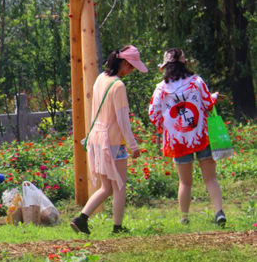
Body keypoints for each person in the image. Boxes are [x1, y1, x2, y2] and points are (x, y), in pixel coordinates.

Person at [70, 45, 147, 235]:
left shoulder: (100, 79)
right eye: (132, 67)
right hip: (113, 142)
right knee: (119, 186)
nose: (131, 72)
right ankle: (117, 227)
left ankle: (81, 219)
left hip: (97, 138)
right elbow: (122, 120)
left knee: (106, 187)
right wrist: (133, 145)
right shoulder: (118, 86)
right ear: (125, 63)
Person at [148, 48, 225, 226]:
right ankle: (219, 211)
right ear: (185, 63)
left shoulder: (161, 88)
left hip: (178, 141)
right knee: (210, 178)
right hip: (201, 136)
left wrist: (166, 128)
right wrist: (214, 97)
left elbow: (153, 114)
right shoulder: (197, 82)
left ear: (166, 67)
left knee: (185, 182)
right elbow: (207, 103)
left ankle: (184, 217)